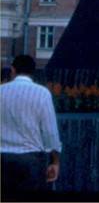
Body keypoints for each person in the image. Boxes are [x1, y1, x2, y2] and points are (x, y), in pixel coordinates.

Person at [1, 55, 62, 195]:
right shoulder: (42, 93)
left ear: (12, 70)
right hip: (30, 163)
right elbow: (50, 132)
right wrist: (55, 162)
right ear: (32, 72)